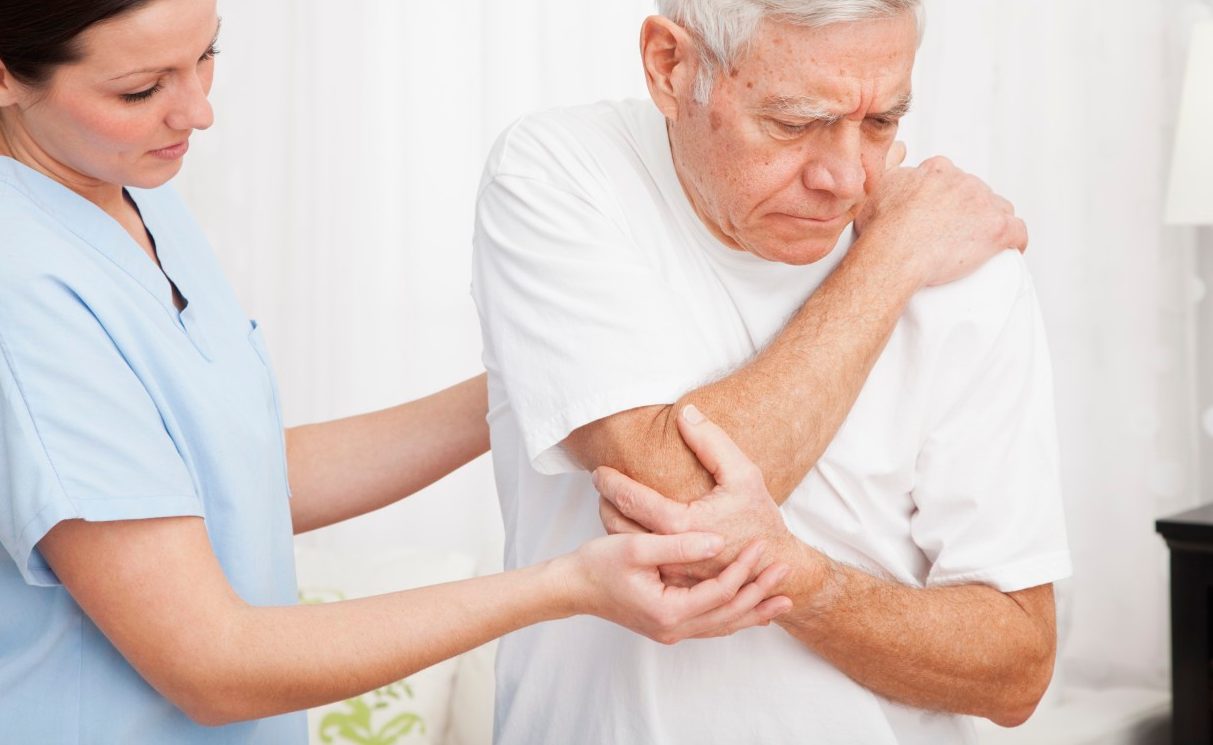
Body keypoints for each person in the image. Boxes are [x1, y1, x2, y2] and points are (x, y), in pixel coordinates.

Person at [0, 1, 800, 743]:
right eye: (141, 90)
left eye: (206, 57)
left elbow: (235, 477)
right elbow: (212, 664)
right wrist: (567, 585)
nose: (198, 111)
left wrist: (557, 373)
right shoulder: (24, 286)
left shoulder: (131, 188)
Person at [470, 0, 1071, 743]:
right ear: (670, 65)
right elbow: (678, 506)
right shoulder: (561, 174)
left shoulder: (964, 263)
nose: (846, 177)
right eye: (793, 124)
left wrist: (808, 584)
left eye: (882, 122)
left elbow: (1015, 670)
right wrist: (888, 262)